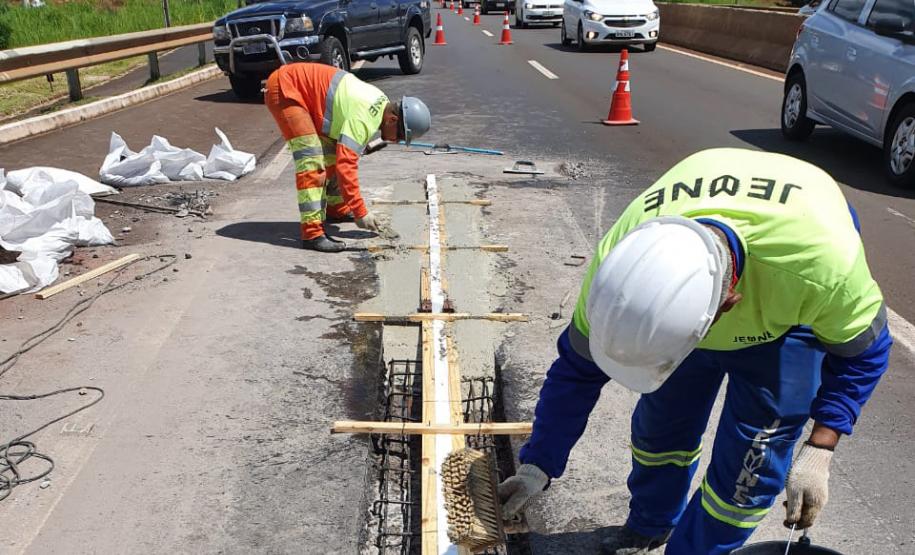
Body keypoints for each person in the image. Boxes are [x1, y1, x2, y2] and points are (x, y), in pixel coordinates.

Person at [497, 149, 892, 554]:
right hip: (709, 262)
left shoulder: (821, 271)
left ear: (728, 305)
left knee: (746, 475)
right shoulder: (621, 265)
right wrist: (538, 463)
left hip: (788, 320)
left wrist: (820, 446)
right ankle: (650, 525)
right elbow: (577, 371)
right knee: (660, 432)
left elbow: (865, 354)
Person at [264, 62, 431, 252]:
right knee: (312, 163)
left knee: (333, 157)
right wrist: (361, 212)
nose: (398, 141)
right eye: (401, 136)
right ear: (392, 120)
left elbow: (342, 156)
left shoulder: (381, 103)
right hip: (287, 90)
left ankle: (338, 210)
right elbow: (347, 166)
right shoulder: (365, 119)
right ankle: (312, 234)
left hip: (302, 92)